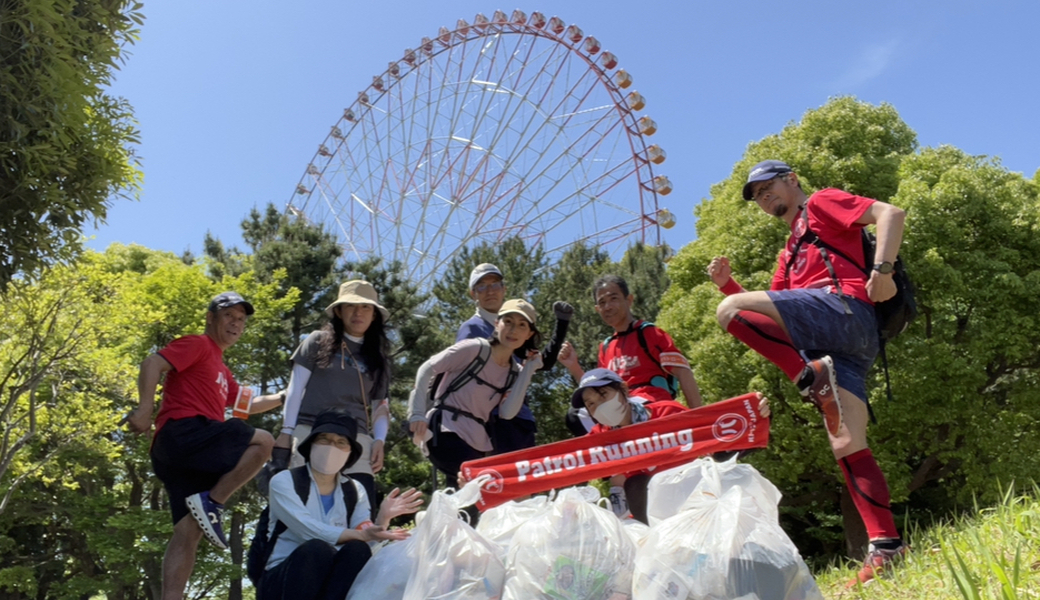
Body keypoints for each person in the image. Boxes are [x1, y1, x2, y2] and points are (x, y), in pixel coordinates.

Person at [708, 159, 907, 586]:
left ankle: (805, 376)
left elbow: (890, 213)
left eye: (769, 187)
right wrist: (729, 285)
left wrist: (882, 270)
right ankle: (887, 546)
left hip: (846, 311)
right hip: (838, 347)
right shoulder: (789, 254)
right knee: (846, 442)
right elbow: (769, 316)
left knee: (728, 312)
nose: (764, 197)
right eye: (757, 196)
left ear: (792, 180)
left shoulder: (820, 203)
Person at [127, 292, 275, 600]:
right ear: (210, 318)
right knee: (264, 442)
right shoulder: (198, 344)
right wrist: (144, 409)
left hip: (179, 455)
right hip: (184, 433)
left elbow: (246, 405)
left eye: (241, 319)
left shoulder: (223, 370)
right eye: (229, 316)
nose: (235, 323)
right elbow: (152, 363)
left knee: (188, 531)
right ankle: (214, 503)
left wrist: (288, 396)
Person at [260, 408, 423, 600]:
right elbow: (308, 530)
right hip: (281, 583)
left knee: (358, 550)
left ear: (350, 453)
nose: (331, 447)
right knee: (316, 549)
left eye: (341, 442)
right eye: (324, 439)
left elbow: (365, 537)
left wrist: (382, 519)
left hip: (331, 583)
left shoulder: (355, 490)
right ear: (311, 444)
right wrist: (360, 534)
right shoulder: (284, 481)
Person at [571, 368, 770, 524]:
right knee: (635, 485)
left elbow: (717, 440)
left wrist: (755, 413)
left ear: (623, 389)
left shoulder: (668, 413)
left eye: (603, 395)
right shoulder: (601, 437)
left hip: (695, 495)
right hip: (653, 513)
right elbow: (565, 460)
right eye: (591, 404)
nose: (599, 405)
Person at [274, 280, 392, 509]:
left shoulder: (379, 358)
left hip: (357, 437)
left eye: (366, 307)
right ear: (338, 311)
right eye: (350, 306)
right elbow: (295, 389)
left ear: (374, 314)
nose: (358, 313)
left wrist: (379, 440)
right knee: (303, 504)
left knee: (360, 506)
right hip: (310, 430)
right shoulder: (317, 341)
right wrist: (286, 432)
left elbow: (381, 405)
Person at [408, 299, 544, 488]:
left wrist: (528, 370)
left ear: (529, 334)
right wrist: (416, 413)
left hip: (478, 441)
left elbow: (507, 413)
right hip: (446, 429)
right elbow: (427, 368)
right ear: (497, 323)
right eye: (508, 322)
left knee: (470, 494)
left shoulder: (515, 372)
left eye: (522, 325)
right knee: (478, 483)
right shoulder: (474, 348)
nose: (513, 330)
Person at [558, 274, 704, 430]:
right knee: (576, 415)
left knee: (617, 407)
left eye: (613, 299)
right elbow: (594, 391)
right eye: (602, 302)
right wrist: (574, 367)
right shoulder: (606, 347)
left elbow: (683, 371)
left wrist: (700, 419)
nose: (608, 307)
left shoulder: (649, 333)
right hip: (618, 407)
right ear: (597, 309)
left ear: (629, 300)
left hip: (651, 406)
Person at [456, 263, 572, 454]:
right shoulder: (472, 329)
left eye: (495, 285)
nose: (490, 291)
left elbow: (541, 363)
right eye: (482, 287)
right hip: (489, 421)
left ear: (504, 289)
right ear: (473, 294)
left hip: (520, 418)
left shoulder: (515, 326)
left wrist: (561, 325)